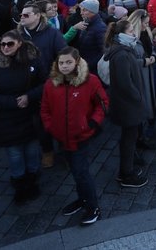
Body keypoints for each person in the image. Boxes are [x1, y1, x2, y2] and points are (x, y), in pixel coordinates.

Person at [40, 47, 108, 226]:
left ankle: (93, 207)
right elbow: (45, 109)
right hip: (62, 137)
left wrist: (92, 123)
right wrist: (51, 127)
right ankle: (82, 199)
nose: (64, 66)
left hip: (81, 136)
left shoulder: (90, 81)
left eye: (68, 62)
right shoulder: (50, 84)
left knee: (81, 172)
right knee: (75, 171)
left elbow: (102, 104)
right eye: (61, 63)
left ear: (77, 62)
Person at [0, 30, 45, 204]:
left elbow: (45, 82)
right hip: (7, 115)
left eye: (10, 44)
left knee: (32, 148)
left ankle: (33, 175)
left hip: (30, 112)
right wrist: (12, 102)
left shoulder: (33, 60)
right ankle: (18, 179)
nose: (5, 47)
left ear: (19, 44)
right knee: (15, 152)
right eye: (2, 44)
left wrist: (29, 97)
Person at [102, 18, 150, 188]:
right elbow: (125, 83)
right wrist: (138, 96)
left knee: (129, 137)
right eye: (131, 32)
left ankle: (127, 167)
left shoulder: (122, 49)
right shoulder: (121, 54)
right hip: (128, 104)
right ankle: (126, 174)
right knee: (129, 138)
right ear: (122, 34)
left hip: (127, 103)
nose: (134, 34)